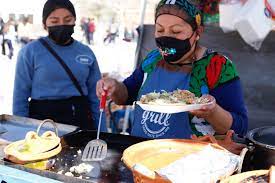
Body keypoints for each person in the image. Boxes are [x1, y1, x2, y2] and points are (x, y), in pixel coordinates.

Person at [96, 0, 247, 139]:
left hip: (189, 161)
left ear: (197, 32)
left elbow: (240, 127)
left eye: (176, 32)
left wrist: (212, 112)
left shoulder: (217, 65)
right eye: (160, 30)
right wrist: (114, 87)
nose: (166, 38)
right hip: (140, 154)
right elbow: (127, 94)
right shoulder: (153, 59)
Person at [13, 0, 106, 131]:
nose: (62, 25)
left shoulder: (86, 52)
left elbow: (96, 97)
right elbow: (20, 98)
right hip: (43, 123)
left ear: (75, 21)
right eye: (54, 21)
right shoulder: (30, 52)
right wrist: (21, 133)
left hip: (80, 121)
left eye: (68, 20)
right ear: (45, 24)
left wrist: (102, 132)